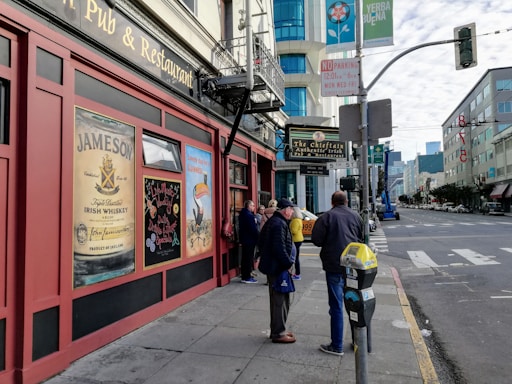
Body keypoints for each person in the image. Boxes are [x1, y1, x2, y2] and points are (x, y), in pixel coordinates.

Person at [311, 191, 363, 356]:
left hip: (334, 266)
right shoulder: (356, 217)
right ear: (346, 201)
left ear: (332, 202)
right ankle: (358, 341)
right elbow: (362, 239)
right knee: (354, 304)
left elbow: (316, 240)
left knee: (336, 306)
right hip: (353, 267)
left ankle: (336, 345)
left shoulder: (326, 217)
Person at [258, 198, 297, 343]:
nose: (292, 212)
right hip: (277, 267)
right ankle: (279, 333)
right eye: (291, 209)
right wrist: (287, 263)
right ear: (285, 210)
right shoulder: (278, 223)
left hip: (274, 266)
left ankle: (278, 329)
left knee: (279, 299)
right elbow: (279, 247)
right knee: (280, 301)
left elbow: (261, 241)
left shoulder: (275, 222)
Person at [238, 200, 259, 283]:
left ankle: (245, 275)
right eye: (253, 205)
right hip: (249, 240)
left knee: (245, 258)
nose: (254, 207)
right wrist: (257, 237)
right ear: (249, 206)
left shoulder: (242, 214)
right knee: (248, 258)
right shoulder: (249, 216)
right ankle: (247, 276)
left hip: (245, 239)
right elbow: (252, 228)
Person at [289, 206, 304, 280]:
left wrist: (288, 231)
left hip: (295, 240)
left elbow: (294, 231)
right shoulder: (299, 220)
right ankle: (297, 273)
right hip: (298, 239)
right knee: (296, 257)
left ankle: (297, 274)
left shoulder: (295, 220)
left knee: (295, 257)